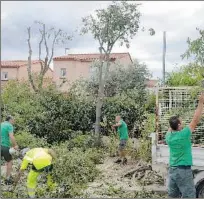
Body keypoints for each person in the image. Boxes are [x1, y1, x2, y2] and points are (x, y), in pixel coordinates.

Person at [165, 92, 204, 198]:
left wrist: (174, 122)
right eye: (181, 122)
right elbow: (195, 120)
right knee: (189, 195)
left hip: (172, 170)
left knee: (173, 196)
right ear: (178, 125)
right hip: (183, 171)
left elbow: (171, 128)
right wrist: (201, 102)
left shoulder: (168, 137)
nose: (182, 123)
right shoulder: (184, 134)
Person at [1, 115, 19, 184]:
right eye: (13, 120)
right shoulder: (9, 126)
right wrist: (15, 145)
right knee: (9, 161)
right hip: (4, 146)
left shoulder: (1, 124)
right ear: (10, 119)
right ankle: (7, 179)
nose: (14, 121)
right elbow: (11, 136)